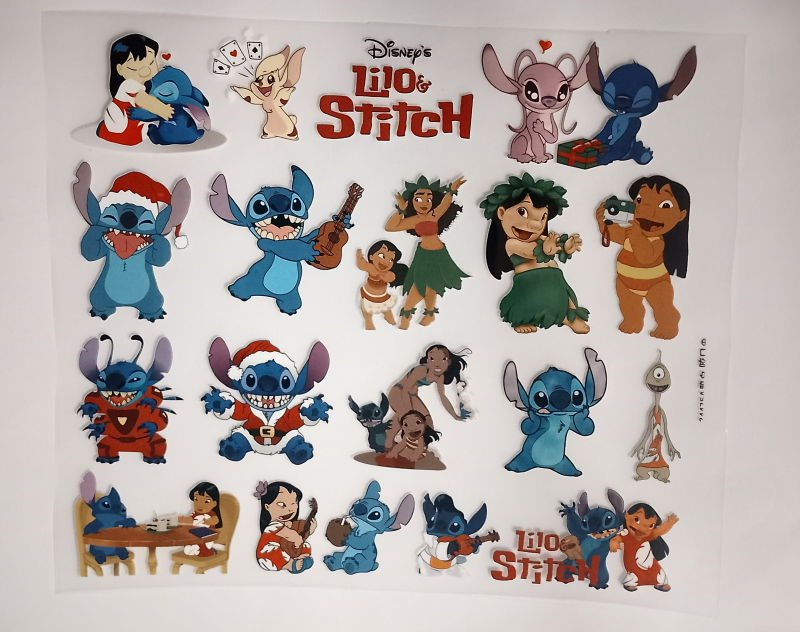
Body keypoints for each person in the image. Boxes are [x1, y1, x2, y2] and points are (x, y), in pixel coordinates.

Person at [481, 173, 589, 334]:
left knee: (565, 298)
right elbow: (531, 251)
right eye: (523, 212)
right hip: (529, 281)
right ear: (502, 213)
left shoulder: (543, 239)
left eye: (542, 217)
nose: (536, 224)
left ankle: (568, 317)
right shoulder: (511, 243)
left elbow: (555, 247)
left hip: (555, 277)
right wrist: (546, 250)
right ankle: (521, 320)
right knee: (531, 302)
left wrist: (566, 248)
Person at [385, 176, 468, 328]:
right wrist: (401, 210)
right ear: (412, 201)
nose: (424, 203)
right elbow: (390, 227)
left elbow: (445, 203)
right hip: (424, 255)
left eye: (428, 199)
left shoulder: (433, 215)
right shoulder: (414, 220)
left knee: (432, 284)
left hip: (439, 254)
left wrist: (452, 189)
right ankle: (411, 314)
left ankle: (422, 314)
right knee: (421, 284)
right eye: (418, 199)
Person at [96, 33, 174, 146]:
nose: (146, 71)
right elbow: (143, 99)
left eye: (151, 63)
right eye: (135, 68)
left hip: (135, 128)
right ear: (120, 69)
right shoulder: (129, 84)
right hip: (123, 131)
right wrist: (163, 110)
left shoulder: (147, 85)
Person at [254, 480, 315, 573]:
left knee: (305, 545)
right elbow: (290, 535)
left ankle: (300, 557)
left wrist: (309, 531)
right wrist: (297, 539)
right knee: (278, 552)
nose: (290, 509)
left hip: (286, 549)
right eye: (282, 505)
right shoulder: (273, 526)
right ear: (267, 507)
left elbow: (298, 535)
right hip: (268, 555)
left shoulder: (289, 524)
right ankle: (289, 565)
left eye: (293, 504)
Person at [356, 240, 408, 330]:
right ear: (371, 256)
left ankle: (389, 318)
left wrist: (383, 275)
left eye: (391, 260)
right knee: (366, 310)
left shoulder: (388, 273)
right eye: (381, 256)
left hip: (381, 296)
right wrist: (359, 256)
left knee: (386, 308)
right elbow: (362, 264)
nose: (386, 262)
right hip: (367, 294)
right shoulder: (370, 267)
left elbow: (391, 278)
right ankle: (368, 322)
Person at [179, 482, 222, 557]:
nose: (200, 504)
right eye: (196, 499)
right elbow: (190, 520)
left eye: (207, 501)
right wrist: (181, 519)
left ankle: (210, 551)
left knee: (201, 549)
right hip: (194, 537)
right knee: (188, 548)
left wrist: (208, 521)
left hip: (206, 539)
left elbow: (215, 520)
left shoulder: (210, 514)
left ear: (214, 504)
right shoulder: (195, 514)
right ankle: (194, 549)